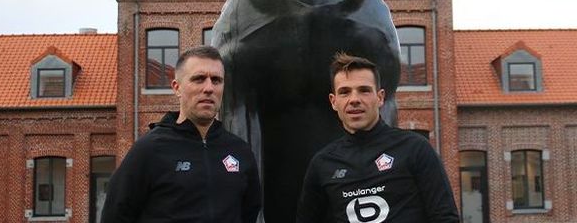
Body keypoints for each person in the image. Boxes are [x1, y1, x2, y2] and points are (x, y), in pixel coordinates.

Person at [101, 46, 261, 223]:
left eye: (216, 80)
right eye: (199, 79)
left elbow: (249, 213)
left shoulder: (240, 151)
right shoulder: (149, 150)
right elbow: (115, 215)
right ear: (177, 87)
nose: (209, 88)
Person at [297, 52, 459, 223]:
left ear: (380, 97)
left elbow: (445, 217)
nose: (354, 99)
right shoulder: (322, 164)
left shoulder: (415, 149)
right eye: (344, 92)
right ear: (333, 101)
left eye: (364, 91)